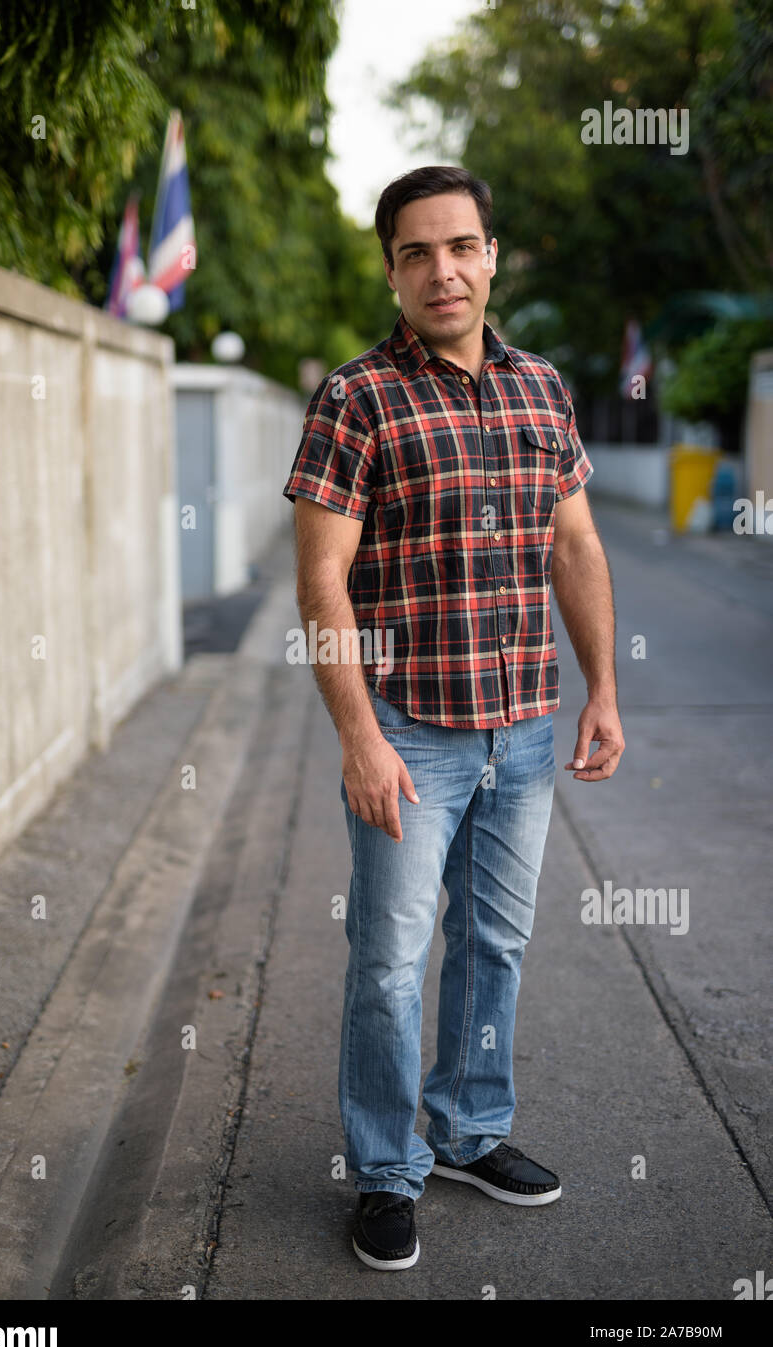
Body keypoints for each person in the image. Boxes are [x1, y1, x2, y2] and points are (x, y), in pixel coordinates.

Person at [282, 166, 625, 1271]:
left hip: (524, 728)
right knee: (389, 961)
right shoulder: (356, 397)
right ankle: (387, 1171)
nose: (444, 270)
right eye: (418, 251)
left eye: (462, 246)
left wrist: (604, 688)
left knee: (495, 945)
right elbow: (322, 585)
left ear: (491, 256)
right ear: (391, 267)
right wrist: (359, 738)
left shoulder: (541, 389)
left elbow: (574, 546)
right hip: (410, 734)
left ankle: (471, 1131)